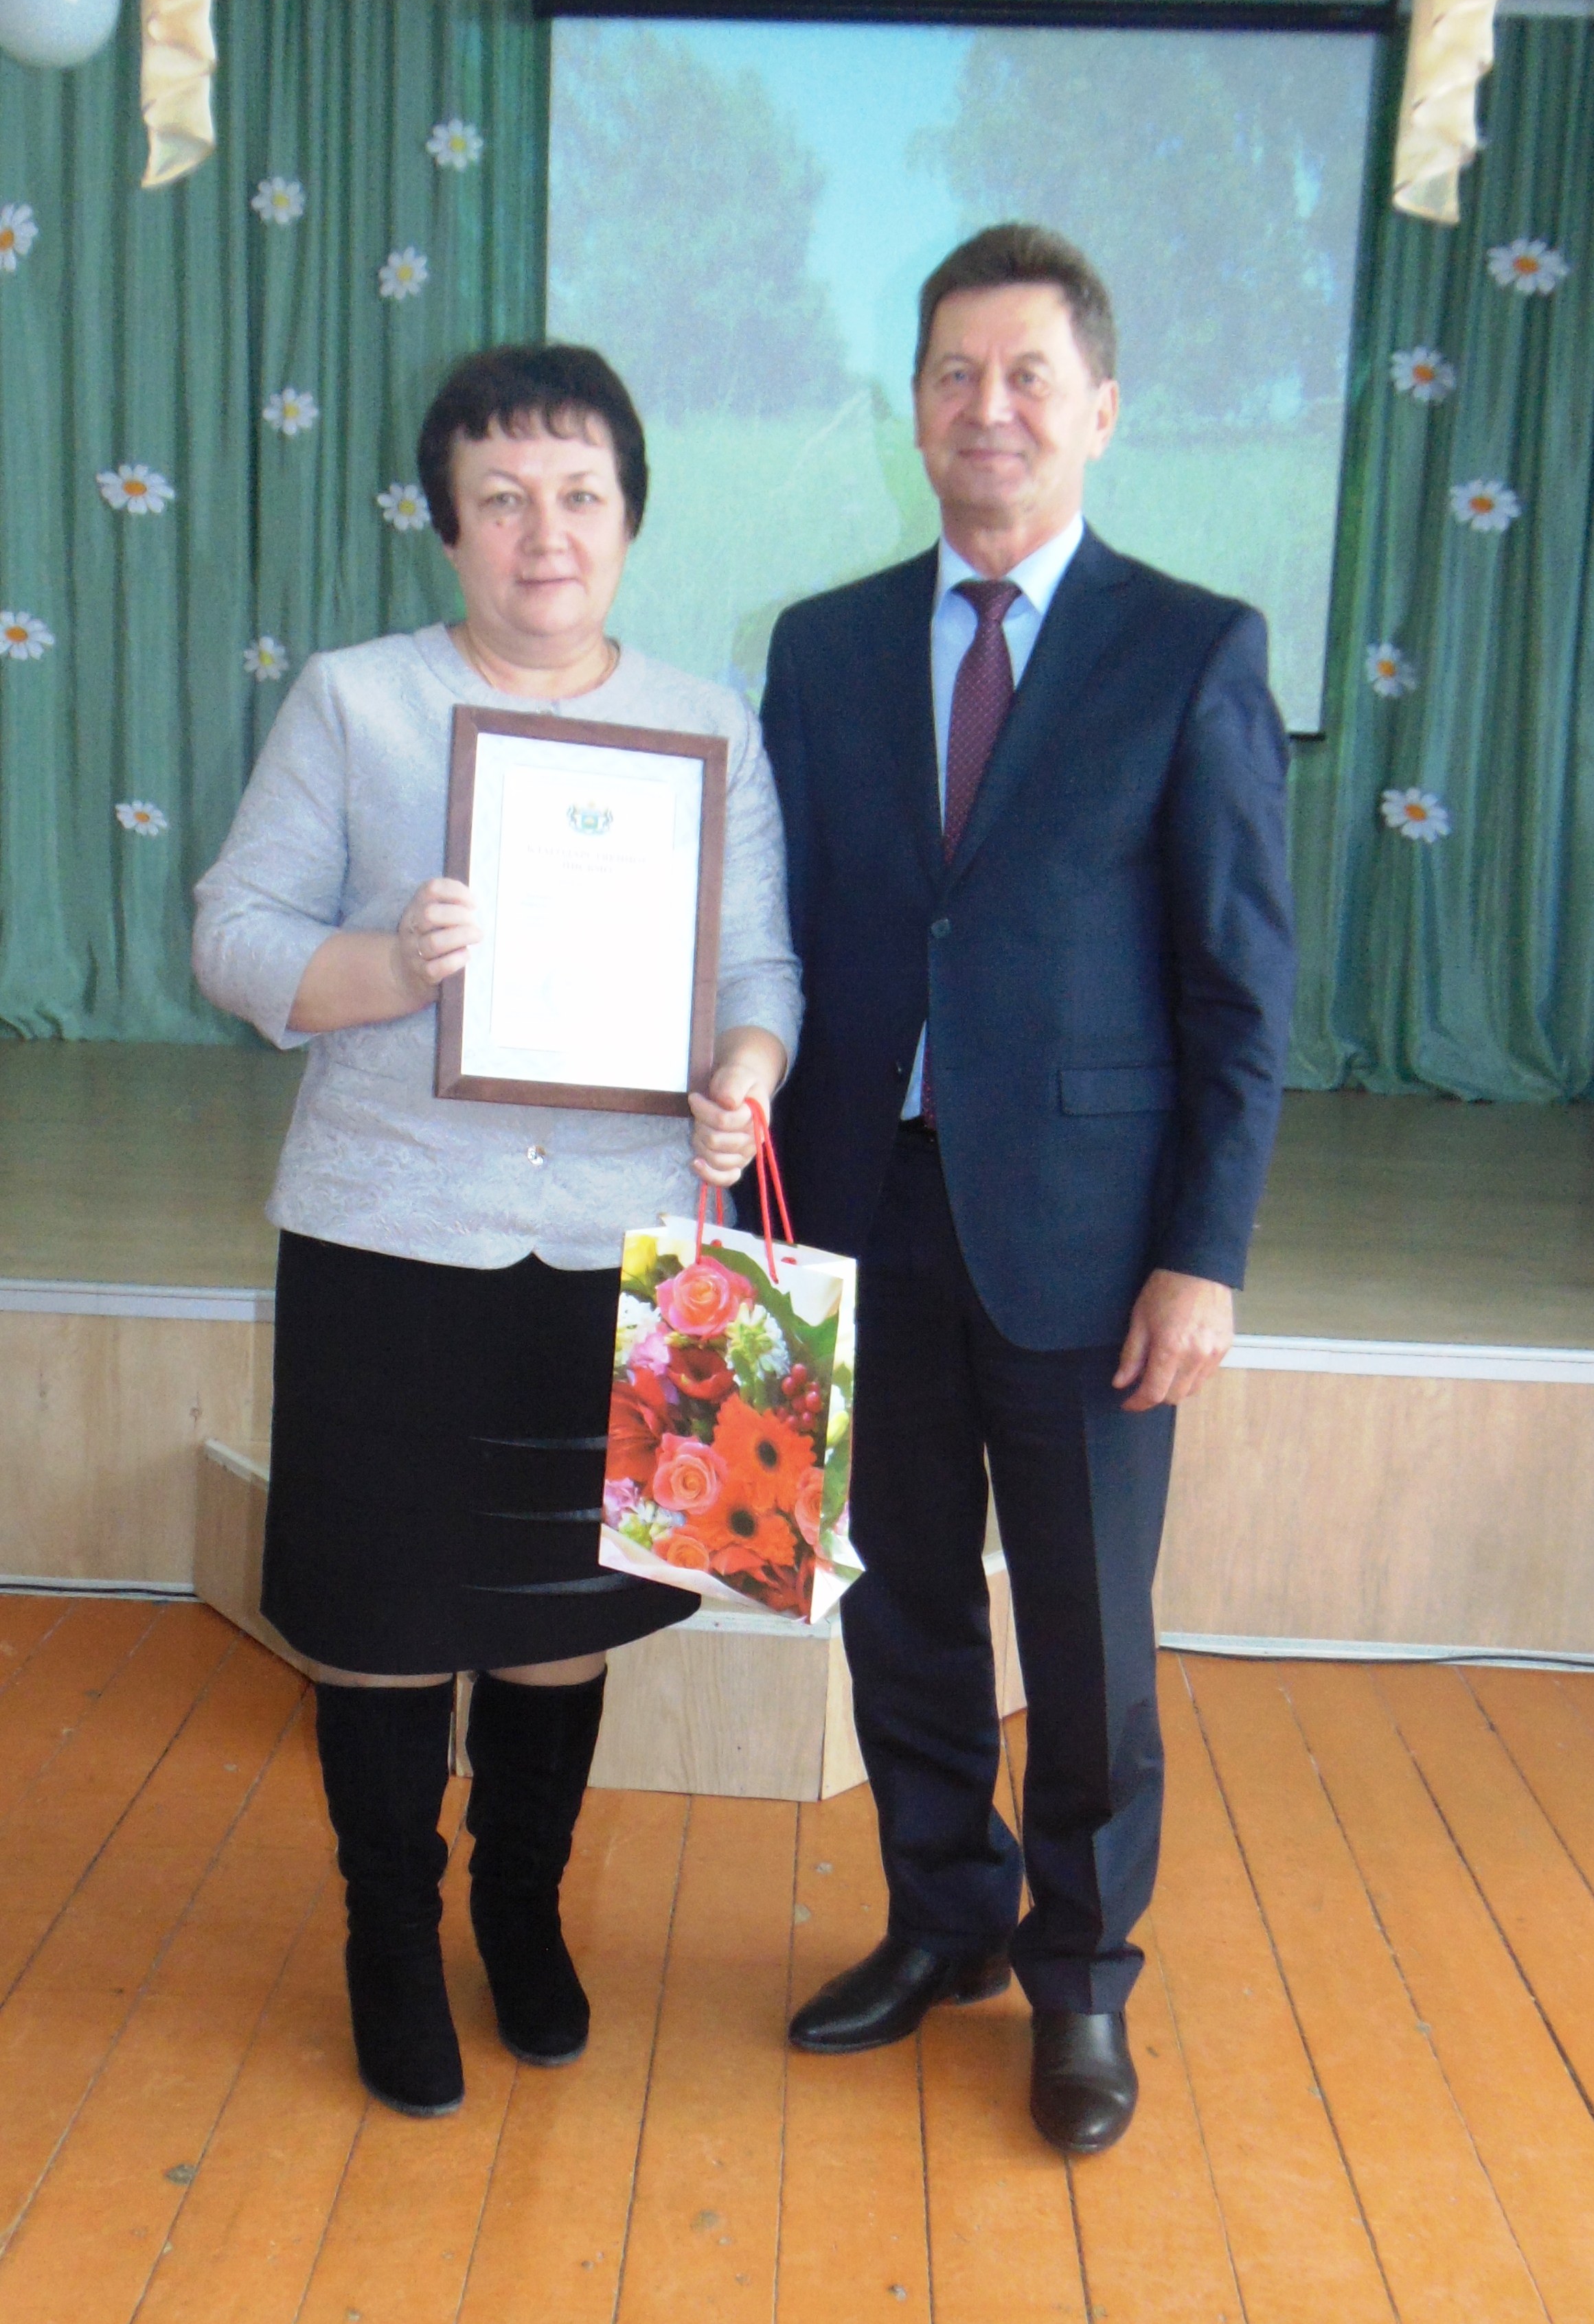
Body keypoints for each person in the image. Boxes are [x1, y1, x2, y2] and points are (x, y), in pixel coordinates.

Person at [194, 343, 799, 2119]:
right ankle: (392, 1936)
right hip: (392, 1236)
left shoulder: (704, 725)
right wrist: (392, 964)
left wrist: (744, 1074)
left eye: (580, 494)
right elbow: (233, 934)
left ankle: (521, 1913)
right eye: (503, 497)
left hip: (621, 1245)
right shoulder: (358, 702)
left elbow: (757, 963)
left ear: (630, 517)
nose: (546, 533)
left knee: (558, 1615)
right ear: (448, 524)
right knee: (382, 1617)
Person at [761, 225, 1294, 2154]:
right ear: (912, 407)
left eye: (1026, 377)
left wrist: (1201, 1257)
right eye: (953, 376)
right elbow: (772, 930)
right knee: (895, 1602)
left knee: (1085, 1639)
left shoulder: (1192, 647)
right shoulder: (821, 646)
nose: (987, 410)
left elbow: (1240, 986)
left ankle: (1081, 1981)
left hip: (1086, 1238)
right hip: (858, 1208)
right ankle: (943, 1919)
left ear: (1100, 410)